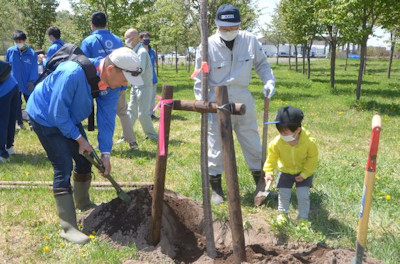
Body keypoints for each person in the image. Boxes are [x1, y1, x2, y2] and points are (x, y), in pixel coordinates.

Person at [26, 47, 143, 244]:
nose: (126, 85)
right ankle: (68, 227)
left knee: (84, 159)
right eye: (125, 79)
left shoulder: (114, 86)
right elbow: (57, 114)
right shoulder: (72, 73)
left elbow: (106, 120)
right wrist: (79, 139)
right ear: (111, 69)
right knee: (63, 165)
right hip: (45, 116)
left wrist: (105, 153)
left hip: (68, 117)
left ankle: (83, 203)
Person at [192, 4, 275, 204]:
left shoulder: (250, 40)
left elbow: (262, 64)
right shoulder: (206, 45)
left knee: (252, 142)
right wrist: (202, 103)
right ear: (217, 25)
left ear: (239, 25)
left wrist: (269, 81)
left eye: (232, 27)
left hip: (243, 98)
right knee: (216, 146)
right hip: (216, 101)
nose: (228, 31)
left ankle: (260, 184)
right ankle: (217, 190)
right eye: (224, 28)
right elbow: (198, 78)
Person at [81, 11, 137, 150]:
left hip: (95, 85)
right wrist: (122, 85)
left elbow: (83, 64)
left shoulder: (88, 41)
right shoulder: (117, 40)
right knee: (108, 118)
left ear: (91, 25)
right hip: (116, 84)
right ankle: (106, 149)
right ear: (106, 24)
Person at [263, 106, 318, 222]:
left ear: (297, 130)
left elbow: (312, 159)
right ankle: (283, 214)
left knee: (303, 195)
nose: (283, 136)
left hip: (303, 172)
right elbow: (272, 157)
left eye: (286, 133)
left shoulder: (309, 142)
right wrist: (269, 171)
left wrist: (304, 174)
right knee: (283, 194)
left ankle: (303, 217)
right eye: (281, 132)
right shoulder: (277, 142)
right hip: (285, 172)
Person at [124, 28, 158, 141]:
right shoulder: (135, 50)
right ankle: (126, 136)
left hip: (143, 87)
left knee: (142, 114)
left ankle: (153, 137)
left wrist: (124, 70)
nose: (125, 41)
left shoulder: (141, 52)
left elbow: (140, 70)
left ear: (133, 38)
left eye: (126, 38)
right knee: (131, 112)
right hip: (135, 86)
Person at [6, 30, 38, 130]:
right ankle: (19, 123)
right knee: (16, 104)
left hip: (28, 83)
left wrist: (32, 81)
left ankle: (32, 123)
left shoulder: (32, 54)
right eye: (16, 41)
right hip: (14, 83)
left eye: (20, 41)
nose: (18, 43)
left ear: (24, 40)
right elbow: (7, 66)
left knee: (31, 103)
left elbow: (34, 68)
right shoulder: (10, 51)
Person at [0, 61, 19, 162]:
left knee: (2, 121)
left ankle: (2, 154)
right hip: (13, 84)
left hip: (3, 91)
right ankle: (9, 146)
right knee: (11, 118)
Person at [139, 31, 159, 121]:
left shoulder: (152, 51)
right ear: (140, 39)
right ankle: (142, 114)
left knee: (152, 97)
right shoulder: (139, 51)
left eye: (148, 37)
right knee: (142, 97)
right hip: (142, 78)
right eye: (144, 37)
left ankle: (151, 114)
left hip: (152, 78)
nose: (146, 39)